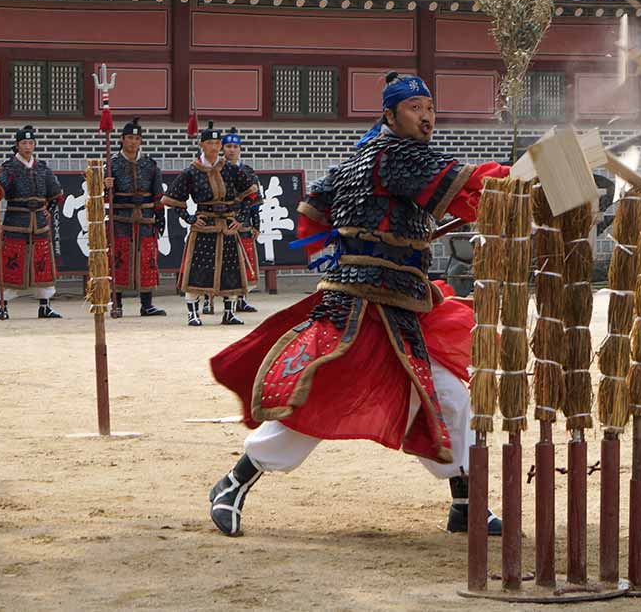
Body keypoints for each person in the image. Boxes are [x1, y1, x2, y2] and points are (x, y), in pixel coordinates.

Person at [208, 72, 509, 537]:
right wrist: (527, 182)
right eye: (415, 108)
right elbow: (472, 190)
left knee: (449, 394)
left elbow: (313, 211)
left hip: (396, 301)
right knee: (321, 394)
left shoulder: (362, 158)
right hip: (361, 308)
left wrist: (366, 246)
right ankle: (233, 483)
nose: (426, 117)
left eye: (430, 108)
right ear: (390, 115)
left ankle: (465, 502)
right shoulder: (398, 156)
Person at [163, 121, 257, 326]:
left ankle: (229, 313)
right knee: (197, 269)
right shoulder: (192, 171)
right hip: (204, 226)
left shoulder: (231, 170)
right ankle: (193, 313)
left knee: (230, 270)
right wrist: (190, 218)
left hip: (228, 227)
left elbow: (251, 194)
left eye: (217, 143)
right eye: (210, 143)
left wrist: (241, 217)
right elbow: (172, 198)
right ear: (202, 145)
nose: (214, 147)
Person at [0, 125, 63, 319]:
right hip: (16, 221)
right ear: (17, 145)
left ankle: (44, 305)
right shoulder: (9, 168)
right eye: (24, 143)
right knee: (11, 262)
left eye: (31, 143)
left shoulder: (42, 168)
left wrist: (47, 210)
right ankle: (2, 306)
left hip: (39, 221)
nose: (28, 146)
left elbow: (56, 194)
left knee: (42, 263)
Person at [104, 118, 166, 317]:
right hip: (121, 219)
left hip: (146, 218)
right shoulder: (111, 164)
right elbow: (102, 197)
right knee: (119, 259)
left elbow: (158, 195)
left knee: (147, 259)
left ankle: (146, 304)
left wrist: (160, 216)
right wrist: (106, 186)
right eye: (130, 137)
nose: (133, 142)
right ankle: (117, 303)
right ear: (122, 139)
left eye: (137, 138)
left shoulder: (150, 164)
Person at [212, 127, 260, 315]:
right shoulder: (216, 169)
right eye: (228, 146)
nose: (232, 150)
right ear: (223, 148)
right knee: (221, 261)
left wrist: (256, 224)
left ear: (240, 149)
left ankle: (242, 299)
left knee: (245, 262)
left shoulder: (248, 171)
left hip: (244, 220)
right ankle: (211, 299)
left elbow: (255, 201)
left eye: (235, 146)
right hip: (223, 221)